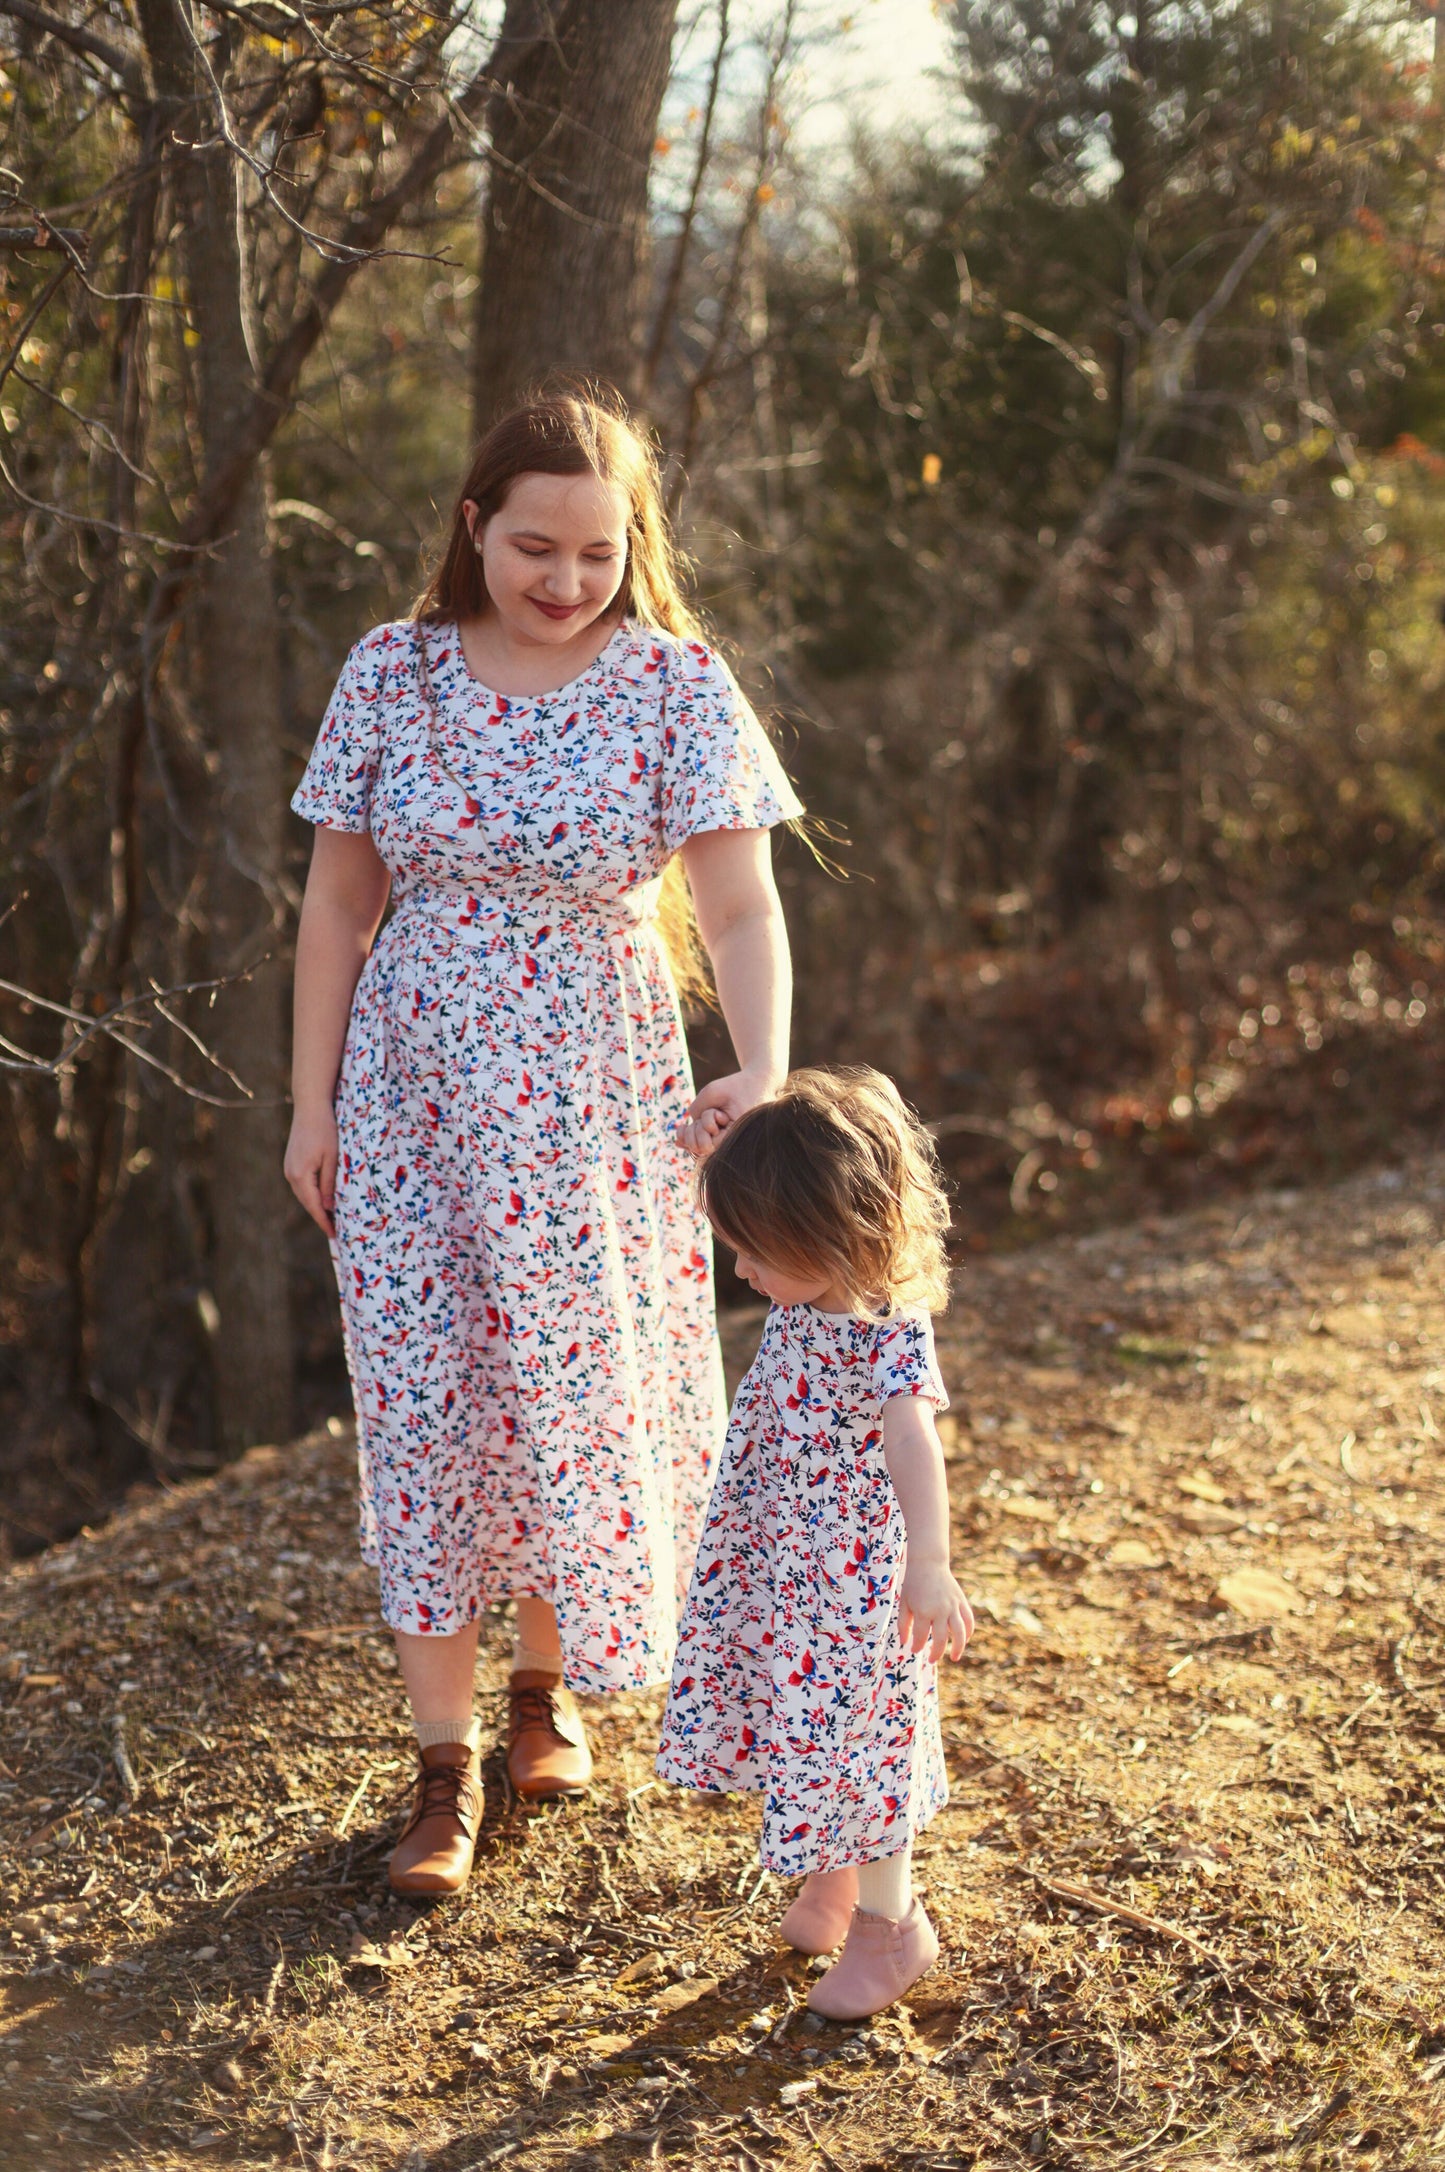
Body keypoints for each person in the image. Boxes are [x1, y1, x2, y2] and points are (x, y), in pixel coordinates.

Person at [284, 387, 802, 1897]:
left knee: (570, 1391)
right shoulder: (389, 672)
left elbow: (740, 907)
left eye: (596, 551)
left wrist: (762, 1068)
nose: (565, 580)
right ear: (475, 528)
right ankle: (441, 1768)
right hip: (411, 1100)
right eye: (533, 548)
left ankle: (543, 1693)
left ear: (632, 545)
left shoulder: (676, 685)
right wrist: (311, 1105)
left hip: (598, 1103)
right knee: (428, 1403)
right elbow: (336, 905)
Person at [656, 1068, 975, 2021]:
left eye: (754, 1252)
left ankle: (893, 1924)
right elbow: (791, 1164)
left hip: (851, 1584)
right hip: (782, 1563)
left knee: (863, 1738)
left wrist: (928, 1564)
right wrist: (734, 1130)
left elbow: (912, 1443)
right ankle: (832, 1879)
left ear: (828, 1238)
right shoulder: (803, 1290)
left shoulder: (886, 1330)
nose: (740, 1271)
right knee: (803, 1719)